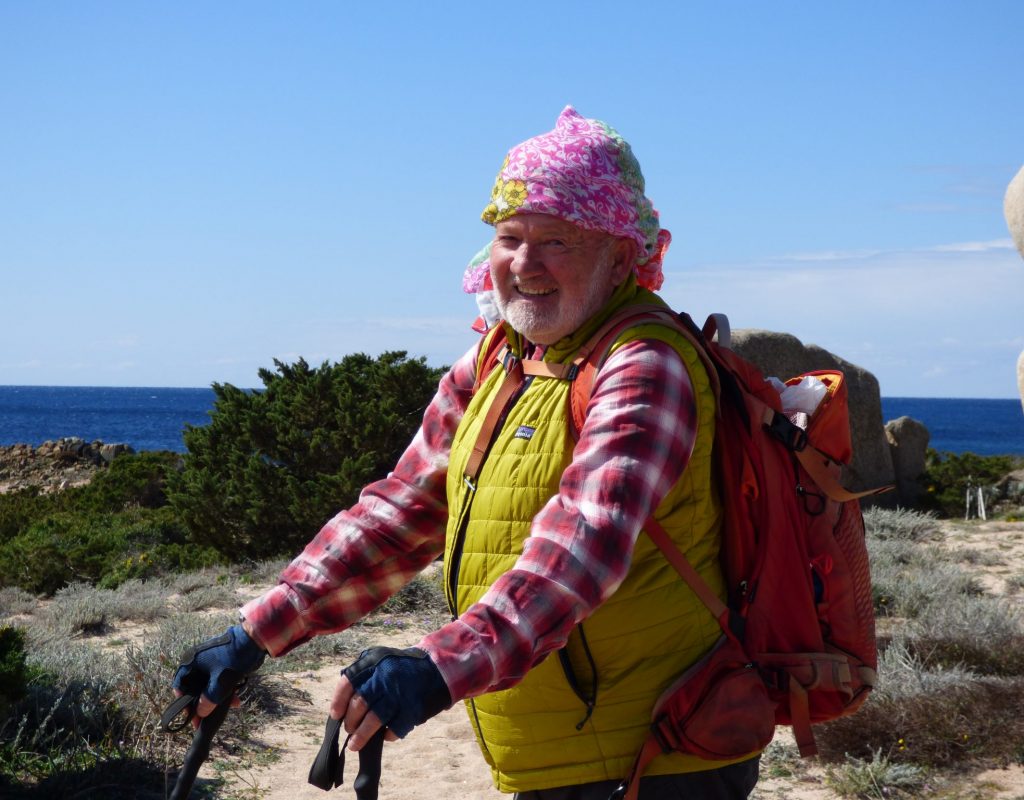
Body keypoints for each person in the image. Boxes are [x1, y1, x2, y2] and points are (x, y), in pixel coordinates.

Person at [172, 106, 761, 800]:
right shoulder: (500, 360)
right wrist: (256, 634)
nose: (524, 262)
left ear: (623, 255)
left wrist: (435, 668)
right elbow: (401, 511)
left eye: (558, 240)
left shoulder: (645, 367)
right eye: (510, 237)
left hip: (657, 756)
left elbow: (581, 551)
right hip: (564, 752)